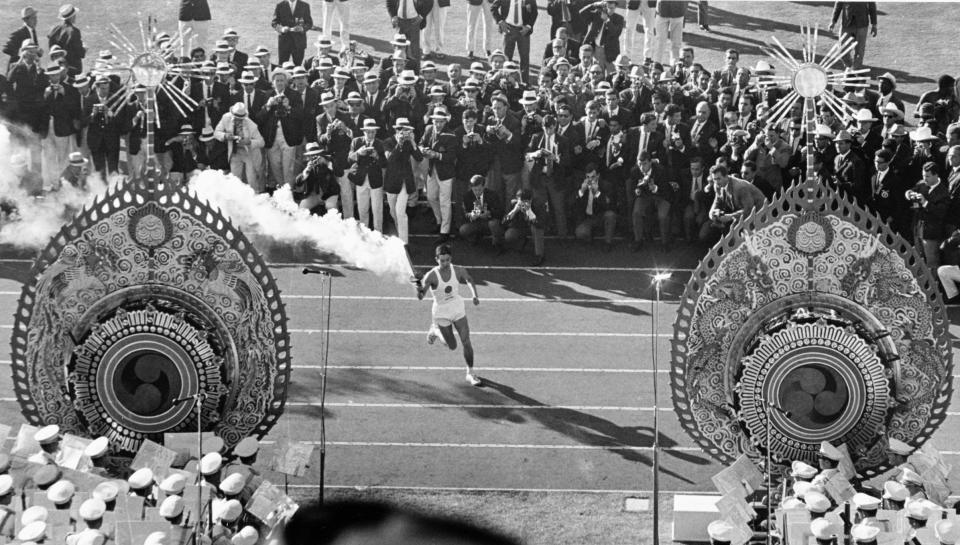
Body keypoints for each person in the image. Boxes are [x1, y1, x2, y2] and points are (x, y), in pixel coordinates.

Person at [416, 244, 482, 387]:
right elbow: (421, 296)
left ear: (450, 258)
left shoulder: (458, 270)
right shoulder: (431, 276)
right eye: (442, 260)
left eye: (447, 260)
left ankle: (470, 373)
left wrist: (474, 295)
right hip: (441, 312)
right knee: (451, 345)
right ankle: (434, 330)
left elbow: (469, 279)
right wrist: (418, 287)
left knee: (466, 341)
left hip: (457, 308)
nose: (445, 263)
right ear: (436, 259)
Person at [383, 118, 423, 244]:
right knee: (393, 212)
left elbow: (419, 157)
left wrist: (412, 142)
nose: (403, 132)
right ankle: (399, 235)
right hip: (392, 181)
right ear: (396, 130)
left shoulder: (409, 142)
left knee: (400, 212)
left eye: (406, 129)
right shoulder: (388, 142)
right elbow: (389, 159)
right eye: (400, 129)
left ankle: (404, 243)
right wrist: (399, 144)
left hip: (405, 181)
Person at [907, 161, 950, 270]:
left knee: (932, 261)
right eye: (923, 176)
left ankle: (933, 284)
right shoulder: (921, 184)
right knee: (918, 258)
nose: (924, 179)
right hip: (918, 228)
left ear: (936, 175)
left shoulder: (943, 192)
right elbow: (911, 190)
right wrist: (909, 194)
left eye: (927, 176)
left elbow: (940, 213)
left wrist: (925, 203)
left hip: (931, 233)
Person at [214, 102, 265, 189]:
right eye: (235, 118)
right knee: (235, 179)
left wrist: (249, 142)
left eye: (240, 118)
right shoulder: (225, 118)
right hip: (235, 152)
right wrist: (225, 136)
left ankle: (255, 198)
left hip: (249, 153)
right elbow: (216, 133)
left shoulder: (251, 124)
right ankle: (237, 199)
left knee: (251, 179)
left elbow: (261, 142)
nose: (237, 120)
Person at [348, 118, 387, 231]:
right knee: (362, 209)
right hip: (361, 179)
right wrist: (359, 153)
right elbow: (349, 159)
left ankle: (378, 234)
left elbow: (385, 163)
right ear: (363, 131)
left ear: (376, 132)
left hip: (375, 180)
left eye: (373, 131)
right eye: (368, 131)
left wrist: (377, 157)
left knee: (377, 209)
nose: (370, 134)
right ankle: (365, 233)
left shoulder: (380, 143)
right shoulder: (356, 142)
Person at [492, 0, 538, 85]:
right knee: (506, 58)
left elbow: (534, 12)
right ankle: (505, 82)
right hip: (508, 29)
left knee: (524, 59)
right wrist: (500, 21)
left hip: (523, 30)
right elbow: (493, 8)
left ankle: (524, 84)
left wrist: (528, 26)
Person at [460, 175, 505, 251]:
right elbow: (464, 214)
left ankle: (497, 244)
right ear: (471, 188)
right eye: (475, 190)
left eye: (479, 189)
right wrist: (470, 215)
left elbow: (500, 212)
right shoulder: (467, 196)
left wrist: (490, 213)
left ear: (484, 186)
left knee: (493, 224)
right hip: (476, 223)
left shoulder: (492, 194)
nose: (477, 192)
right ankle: (475, 238)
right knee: (463, 229)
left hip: (490, 222)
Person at [293, 143, 340, 214]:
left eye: (316, 154)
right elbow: (298, 182)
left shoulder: (328, 161)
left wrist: (327, 164)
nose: (314, 157)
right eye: (311, 155)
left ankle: (338, 222)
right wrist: (306, 172)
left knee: (330, 206)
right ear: (308, 156)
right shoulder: (306, 164)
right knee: (302, 208)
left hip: (329, 194)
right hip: (313, 195)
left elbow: (337, 172)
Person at [503, 188, 547, 265]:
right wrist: (513, 212)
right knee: (509, 235)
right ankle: (522, 241)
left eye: (526, 202)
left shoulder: (538, 205)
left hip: (535, 227)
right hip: (521, 228)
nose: (523, 205)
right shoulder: (513, 204)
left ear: (531, 200)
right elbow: (503, 222)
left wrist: (530, 213)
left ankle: (539, 255)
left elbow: (541, 224)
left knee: (536, 229)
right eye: (521, 202)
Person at [828, 2, 877, 69]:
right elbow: (838, 4)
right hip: (846, 24)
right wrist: (833, 21)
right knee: (842, 49)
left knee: (859, 52)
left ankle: (855, 71)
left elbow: (872, 6)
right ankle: (850, 68)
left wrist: (874, 24)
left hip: (862, 24)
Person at [580, 0, 624, 73]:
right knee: (597, 73)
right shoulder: (597, 14)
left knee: (612, 75)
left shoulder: (619, 18)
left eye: (612, 8)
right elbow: (582, 13)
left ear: (616, 7)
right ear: (604, 7)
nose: (610, 10)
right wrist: (594, 5)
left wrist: (607, 20)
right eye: (608, 7)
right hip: (596, 50)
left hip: (611, 52)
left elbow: (616, 33)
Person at [272, 0, 313, 65]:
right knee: (282, 66)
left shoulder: (305, 6)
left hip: (299, 43)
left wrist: (302, 28)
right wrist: (282, 29)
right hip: (284, 43)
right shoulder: (280, 5)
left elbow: (309, 23)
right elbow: (274, 23)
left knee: (298, 67)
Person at [47, 4, 84, 76]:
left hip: (57, 66)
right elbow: (80, 53)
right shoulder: (74, 31)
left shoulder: (54, 29)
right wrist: (84, 50)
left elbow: (51, 48)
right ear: (72, 17)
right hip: (73, 68)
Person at [653, 0, 686, 65]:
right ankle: (657, 65)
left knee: (676, 42)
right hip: (662, 10)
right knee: (660, 41)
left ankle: (675, 66)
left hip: (678, 11)